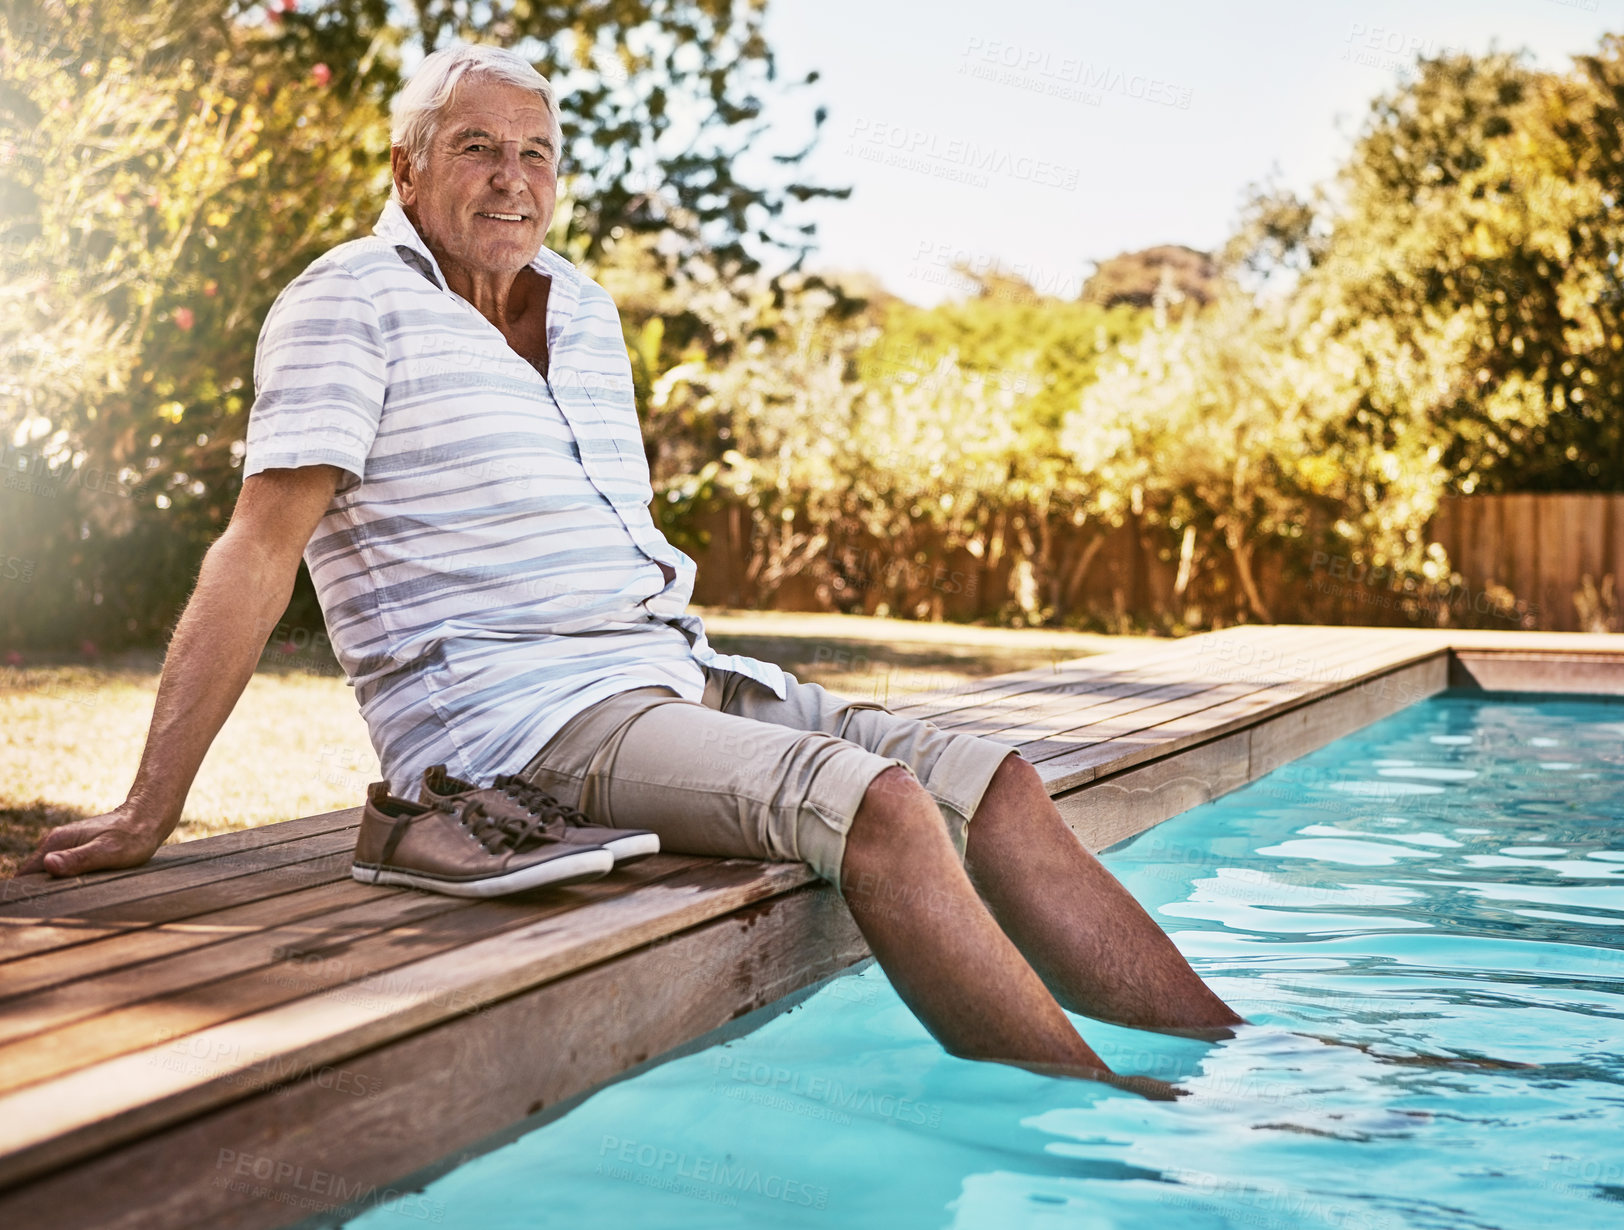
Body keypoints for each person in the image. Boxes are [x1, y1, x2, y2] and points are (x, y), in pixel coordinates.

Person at [21, 43, 1243, 1089]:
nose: (512, 178)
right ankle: (1112, 1125)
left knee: (1005, 785)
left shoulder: (585, 309)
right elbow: (258, 548)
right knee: (881, 808)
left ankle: (1226, 1071)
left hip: (671, 673)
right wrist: (151, 807)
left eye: (536, 152)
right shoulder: (347, 303)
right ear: (406, 167)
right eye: (475, 147)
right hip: (510, 717)